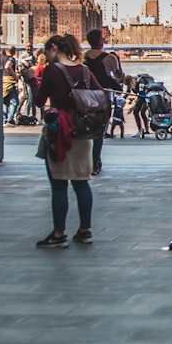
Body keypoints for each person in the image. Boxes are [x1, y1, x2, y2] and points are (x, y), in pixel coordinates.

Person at [35, 33, 101, 248]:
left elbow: (38, 101)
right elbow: (99, 94)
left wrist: (30, 79)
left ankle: (59, 233)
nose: (46, 56)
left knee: (59, 185)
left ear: (54, 47)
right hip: (83, 132)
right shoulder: (83, 69)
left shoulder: (52, 71)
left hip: (60, 131)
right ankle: (85, 230)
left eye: (47, 51)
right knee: (82, 183)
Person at [82, 29, 126, 174]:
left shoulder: (82, 59)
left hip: (86, 98)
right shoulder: (110, 58)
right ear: (101, 42)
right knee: (99, 133)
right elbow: (119, 77)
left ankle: (87, 162)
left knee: (86, 131)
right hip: (104, 98)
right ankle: (95, 163)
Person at [1, 47, 23, 126]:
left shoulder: (1, 58)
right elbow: (7, 66)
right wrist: (15, 75)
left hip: (3, 81)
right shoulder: (11, 59)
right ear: (14, 52)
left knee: (5, 101)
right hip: (10, 82)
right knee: (15, 102)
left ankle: (4, 119)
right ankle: (10, 119)